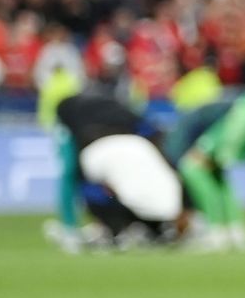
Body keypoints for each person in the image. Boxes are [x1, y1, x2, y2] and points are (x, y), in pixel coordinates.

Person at [50, 92, 192, 250]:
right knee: (133, 190)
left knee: (98, 189)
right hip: (139, 147)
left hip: (98, 149)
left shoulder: (71, 113)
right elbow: (151, 131)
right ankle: (154, 231)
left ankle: (113, 230)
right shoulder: (118, 109)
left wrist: (71, 224)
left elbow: (73, 175)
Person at [165, 90, 245, 252]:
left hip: (240, 114)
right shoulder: (191, 120)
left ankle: (216, 232)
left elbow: (184, 159)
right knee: (218, 177)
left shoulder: (173, 144)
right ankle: (236, 232)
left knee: (190, 169)